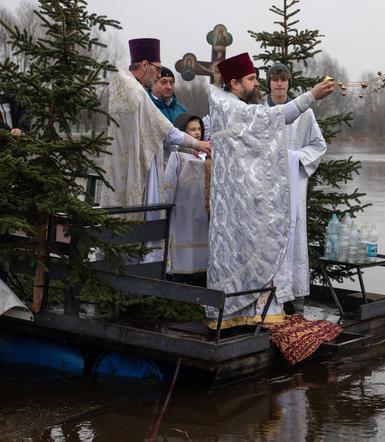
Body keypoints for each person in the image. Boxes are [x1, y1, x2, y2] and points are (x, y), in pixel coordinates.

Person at [206, 52, 335, 328]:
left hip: (248, 194)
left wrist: (294, 159)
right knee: (248, 248)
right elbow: (272, 119)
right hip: (243, 198)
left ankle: (251, 313)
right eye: (252, 79)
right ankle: (239, 314)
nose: (258, 84)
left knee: (249, 247)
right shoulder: (233, 107)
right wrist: (311, 95)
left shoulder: (229, 102)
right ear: (234, 83)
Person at [100, 38, 210, 223]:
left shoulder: (122, 84)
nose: (158, 75)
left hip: (118, 164)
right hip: (134, 166)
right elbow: (165, 130)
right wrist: (198, 144)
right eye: (157, 69)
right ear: (144, 64)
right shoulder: (136, 92)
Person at [266, 63, 327, 312]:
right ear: (268, 83)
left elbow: (318, 145)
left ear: (289, 83)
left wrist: (295, 158)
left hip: (294, 185)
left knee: (293, 233)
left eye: (283, 80)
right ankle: (267, 297)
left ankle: (294, 297)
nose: (279, 84)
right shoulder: (260, 111)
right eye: (275, 80)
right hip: (266, 185)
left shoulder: (305, 114)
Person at [162, 113, 208, 285]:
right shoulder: (177, 157)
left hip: (201, 217)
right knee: (181, 262)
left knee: (200, 262)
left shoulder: (207, 159)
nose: (197, 133)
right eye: (192, 129)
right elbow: (168, 187)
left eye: (199, 129)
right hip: (181, 216)